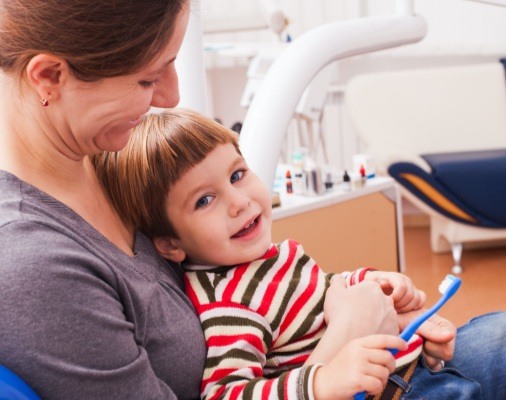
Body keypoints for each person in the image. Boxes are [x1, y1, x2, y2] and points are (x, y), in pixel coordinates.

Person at [93, 109, 506, 400]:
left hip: (413, 367)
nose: (238, 201)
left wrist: (376, 284)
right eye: (204, 201)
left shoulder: (267, 259)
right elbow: (227, 393)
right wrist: (323, 383)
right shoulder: (230, 305)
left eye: (237, 174)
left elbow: (320, 299)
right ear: (170, 244)